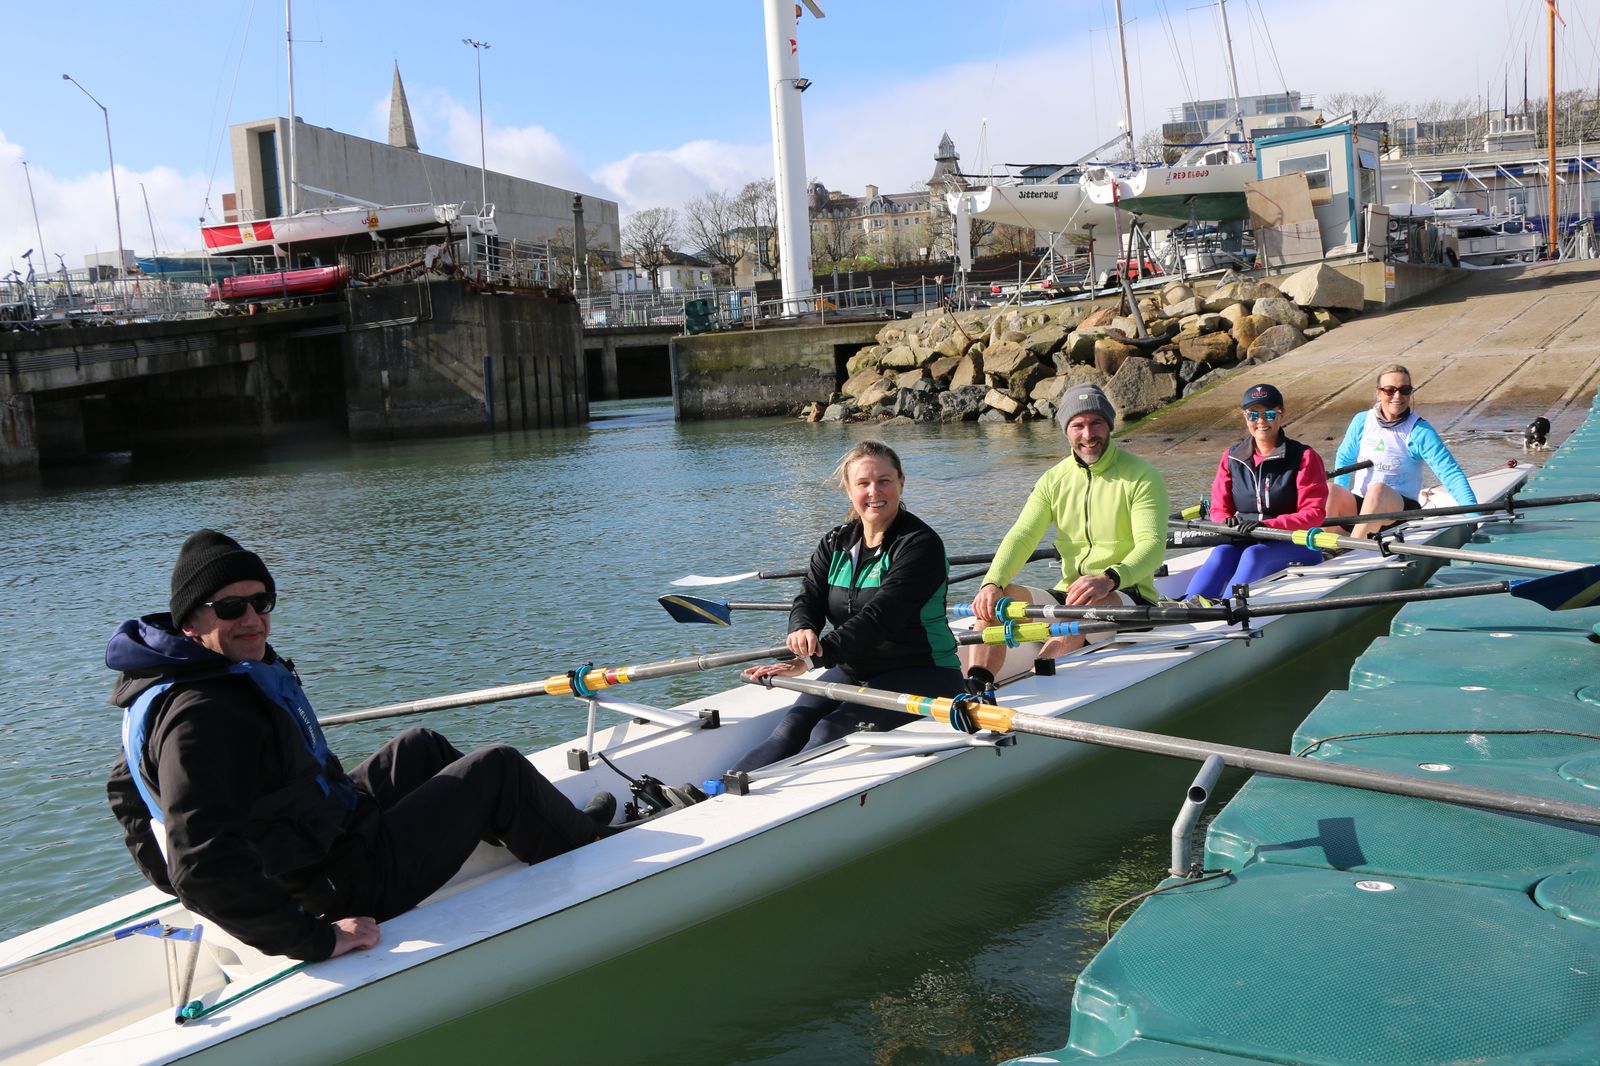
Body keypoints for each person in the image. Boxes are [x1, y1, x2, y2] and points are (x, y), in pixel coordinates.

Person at [106, 530, 617, 963]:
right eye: (231, 607)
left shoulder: (172, 679)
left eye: (261, 602)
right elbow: (198, 863)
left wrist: (175, 884)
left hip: (317, 840)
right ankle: (591, 850)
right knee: (498, 768)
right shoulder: (203, 714)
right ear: (190, 621)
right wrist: (314, 938)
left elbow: (125, 791)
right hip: (335, 886)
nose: (252, 619)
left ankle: (539, 828)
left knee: (419, 747)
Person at [731, 441, 963, 773]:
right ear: (848, 489)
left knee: (829, 730)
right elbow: (808, 596)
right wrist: (802, 630)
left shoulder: (920, 545)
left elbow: (879, 618)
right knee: (790, 728)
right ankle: (716, 792)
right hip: (856, 668)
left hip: (925, 673)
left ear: (901, 482)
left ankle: (765, 804)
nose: (874, 492)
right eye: (863, 483)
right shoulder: (835, 542)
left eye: (884, 481)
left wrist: (811, 660)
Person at [965, 384, 1168, 690]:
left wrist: (1108, 578)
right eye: (1078, 425)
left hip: (1127, 596)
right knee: (998, 602)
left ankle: (1037, 679)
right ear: (1066, 431)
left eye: (1096, 423)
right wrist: (992, 582)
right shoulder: (1053, 480)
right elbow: (1022, 535)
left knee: (1082, 604)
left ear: (1110, 425)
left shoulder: (1141, 475)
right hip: (1068, 593)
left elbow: (1152, 545)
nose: (1088, 435)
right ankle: (976, 687)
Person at [1183, 383, 1329, 603]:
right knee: (1222, 552)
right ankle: (1188, 604)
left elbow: (1314, 514)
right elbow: (1219, 509)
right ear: (1245, 416)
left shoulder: (1304, 457)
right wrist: (1227, 523)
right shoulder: (1231, 458)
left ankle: (1226, 607)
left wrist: (1267, 526)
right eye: (1253, 414)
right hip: (1245, 536)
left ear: (1281, 415)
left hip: (1295, 542)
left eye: (1269, 413)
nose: (1261, 421)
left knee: (1254, 555)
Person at [1327, 364, 1477, 539]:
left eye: (1404, 390)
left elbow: (1450, 474)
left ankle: (1355, 546)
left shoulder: (1420, 431)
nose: (1397, 396)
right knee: (1330, 489)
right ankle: (1322, 548)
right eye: (1390, 390)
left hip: (1401, 512)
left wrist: (1474, 517)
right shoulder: (1362, 421)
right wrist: (1340, 505)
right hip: (1363, 505)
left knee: (1377, 490)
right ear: (1379, 393)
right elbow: (1344, 458)